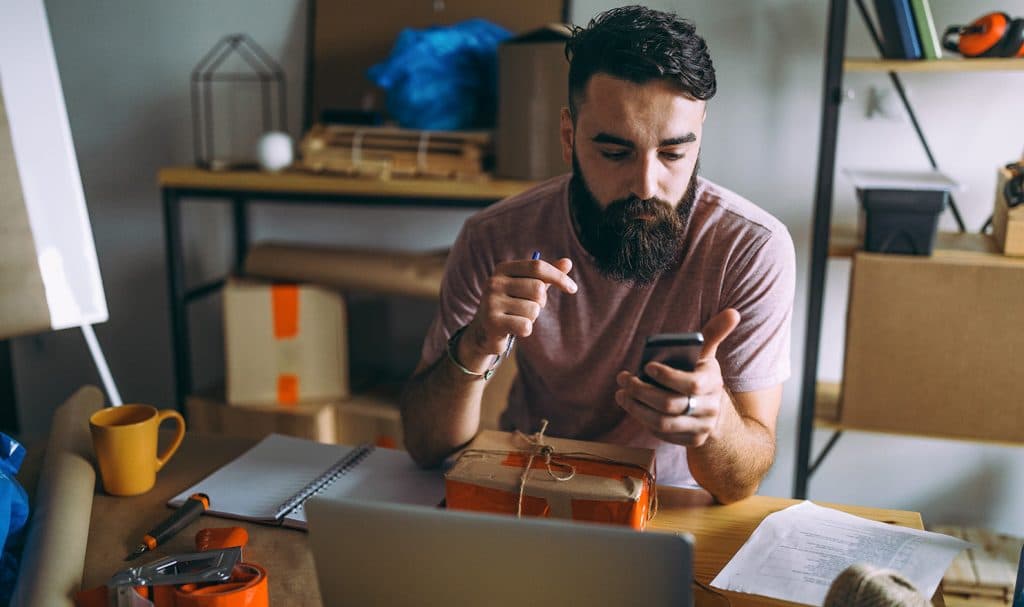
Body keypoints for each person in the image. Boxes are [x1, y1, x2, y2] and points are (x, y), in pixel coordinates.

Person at [400, 5, 795, 504]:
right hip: (531, 487)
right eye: (616, 153)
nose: (647, 186)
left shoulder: (751, 247)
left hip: (671, 502)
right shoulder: (495, 235)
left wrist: (715, 421)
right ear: (569, 136)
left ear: (700, 134)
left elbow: (739, 485)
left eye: (674, 154)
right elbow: (426, 447)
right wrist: (475, 342)